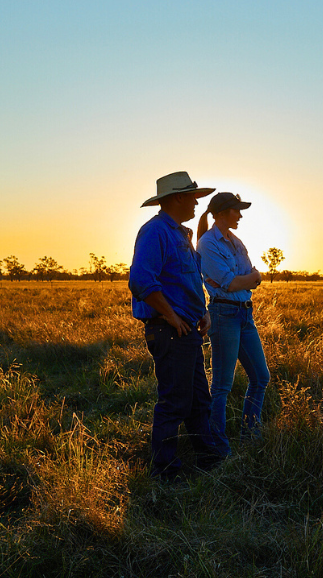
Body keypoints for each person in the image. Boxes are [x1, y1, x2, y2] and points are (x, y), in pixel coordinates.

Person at [129, 171, 226, 482]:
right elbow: (142, 281)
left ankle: (208, 458)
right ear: (178, 198)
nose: (197, 204)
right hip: (170, 330)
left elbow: (189, 281)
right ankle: (165, 473)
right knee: (174, 402)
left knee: (199, 399)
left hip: (187, 329)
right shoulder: (155, 231)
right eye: (193, 197)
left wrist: (203, 312)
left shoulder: (179, 234)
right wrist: (171, 316)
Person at [196, 192, 269, 456]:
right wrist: (251, 278)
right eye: (236, 210)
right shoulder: (207, 243)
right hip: (224, 314)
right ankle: (218, 446)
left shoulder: (236, 242)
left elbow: (247, 278)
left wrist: (249, 278)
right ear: (223, 212)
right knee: (222, 386)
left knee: (261, 377)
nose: (240, 215)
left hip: (244, 314)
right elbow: (232, 282)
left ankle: (250, 435)